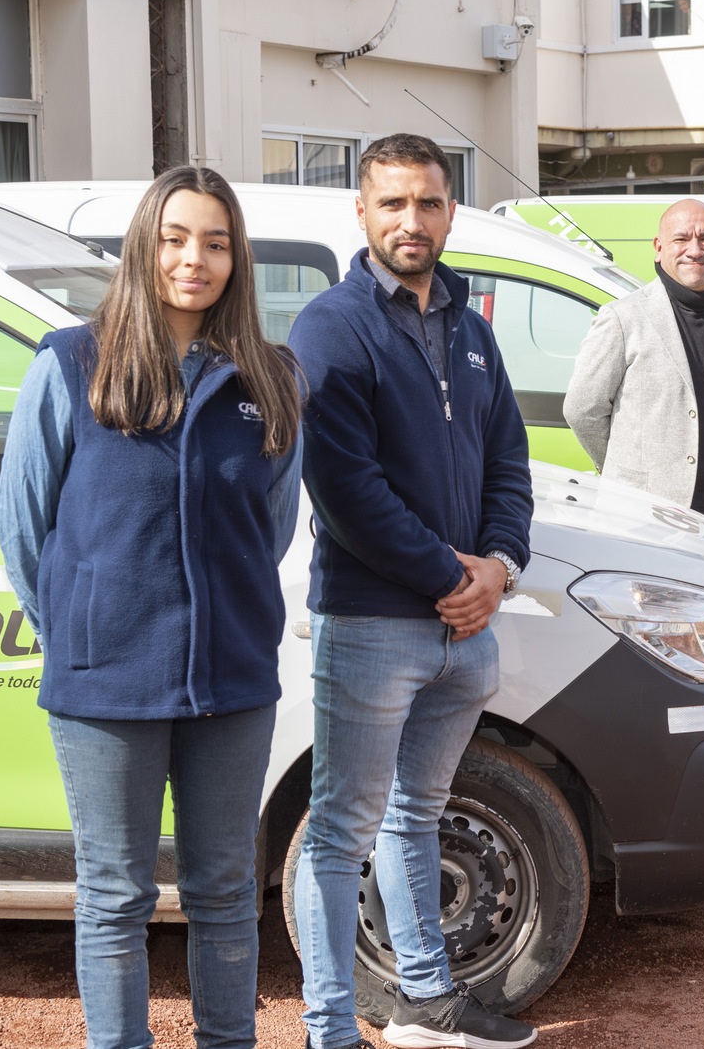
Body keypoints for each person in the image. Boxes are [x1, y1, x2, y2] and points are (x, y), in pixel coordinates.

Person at [0, 166, 304, 1049]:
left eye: (214, 242)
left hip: (232, 682)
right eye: (175, 239)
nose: (193, 259)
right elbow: (23, 527)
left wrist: (223, 611)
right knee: (115, 894)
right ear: (144, 245)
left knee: (223, 892)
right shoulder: (70, 362)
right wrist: (83, 625)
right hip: (104, 683)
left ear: (237, 258)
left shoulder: (272, 379)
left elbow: (268, 526)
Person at [288, 133, 536, 1049]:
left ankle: (424, 1003)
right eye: (392, 203)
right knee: (340, 834)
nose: (411, 221)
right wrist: (451, 578)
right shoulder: (331, 327)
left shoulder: (472, 331)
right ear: (361, 211)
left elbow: (510, 461)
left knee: (415, 815)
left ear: (450, 213)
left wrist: (500, 568)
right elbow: (345, 489)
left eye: (427, 203)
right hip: (371, 625)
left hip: (464, 633)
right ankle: (329, 1029)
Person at [564, 199, 704, 536]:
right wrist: (625, 470)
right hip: (645, 516)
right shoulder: (622, 317)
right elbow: (582, 409)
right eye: (681, 239)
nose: (695, 249)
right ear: (659, 248)